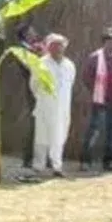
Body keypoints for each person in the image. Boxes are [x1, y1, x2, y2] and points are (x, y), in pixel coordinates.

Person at [81, 28, 112, 172]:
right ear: (104, 43)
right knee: (94, 130)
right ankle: (85, 161)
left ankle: (109, 162)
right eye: (110, 42)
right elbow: (87, 77)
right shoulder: (95, 57)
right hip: (100, 100)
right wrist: (97, 91)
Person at [31, 33, 75, 177]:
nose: (57, 48)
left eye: (60, 45)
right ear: (48, 47)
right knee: (41, 137)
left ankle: (57, 167)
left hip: (62, 107)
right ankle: (39, 166)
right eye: (54, 45)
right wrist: (43, 99)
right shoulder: (41, 63)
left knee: (59, 136)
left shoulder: (69, 65)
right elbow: (34, 85)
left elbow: (70, 84)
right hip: (45, 105)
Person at [15, 23, 42, 169]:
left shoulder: (32, 48)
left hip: (39, 86)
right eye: (32, 31)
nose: (35, 33)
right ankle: (28, 158)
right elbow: (29, 66)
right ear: (25, 34)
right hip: (32, 87)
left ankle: (38, 156)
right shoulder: (22, 49)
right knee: (35, 122)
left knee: (41, 122)